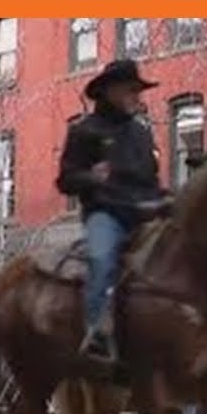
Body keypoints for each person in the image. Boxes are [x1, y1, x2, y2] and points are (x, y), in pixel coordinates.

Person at [55, 59, 169, 367]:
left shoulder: (142, 133)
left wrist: (167, 199)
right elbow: (65, 181)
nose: (137, 96)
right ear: (109, 91)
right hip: (106, 214)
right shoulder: (84, 131)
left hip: (145, 214)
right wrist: (91, 178)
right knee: (102, 258)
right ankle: (98, 333)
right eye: (131, 90)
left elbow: (151, 181)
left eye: (138, 91)